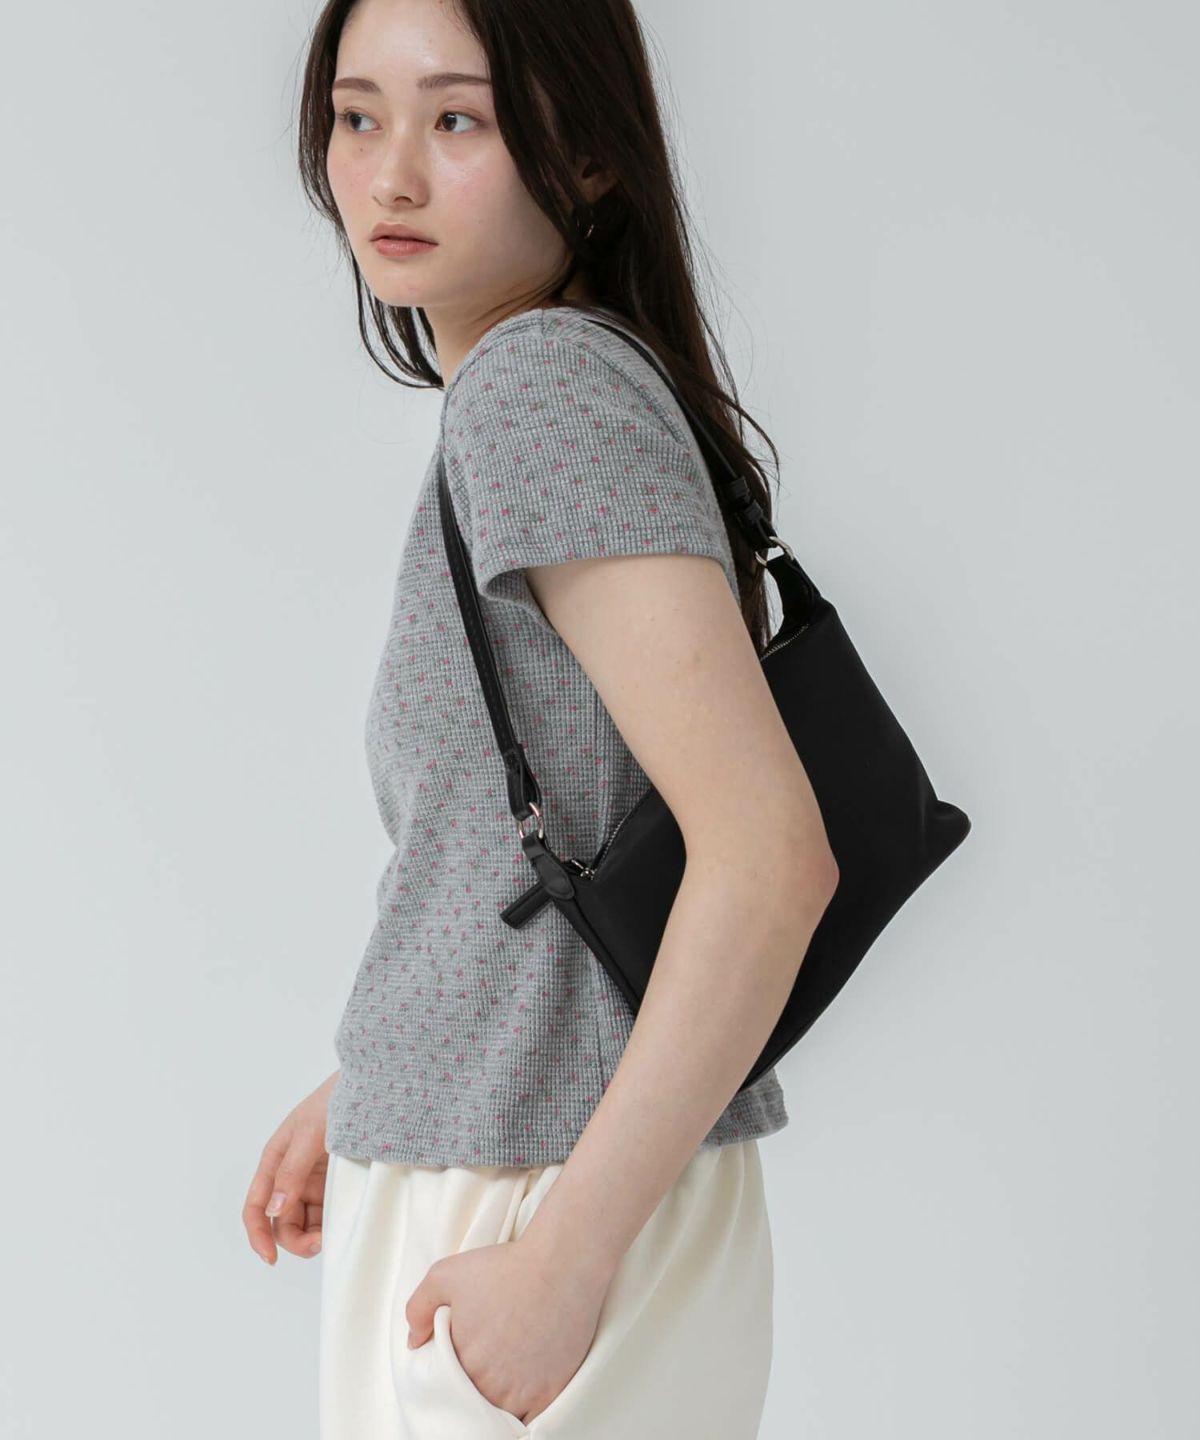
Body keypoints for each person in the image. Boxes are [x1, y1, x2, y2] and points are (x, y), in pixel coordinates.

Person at [242, 0, 840, 1434]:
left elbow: (768, 857)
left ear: (588, 157)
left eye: (458, 117)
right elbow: (556, 837)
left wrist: (565, 1257)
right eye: (357, 116)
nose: (389, 175)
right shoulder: (560, 379)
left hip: (540, 1210)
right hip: (518, 1175)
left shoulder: (540, 388)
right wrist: (391, 1072)